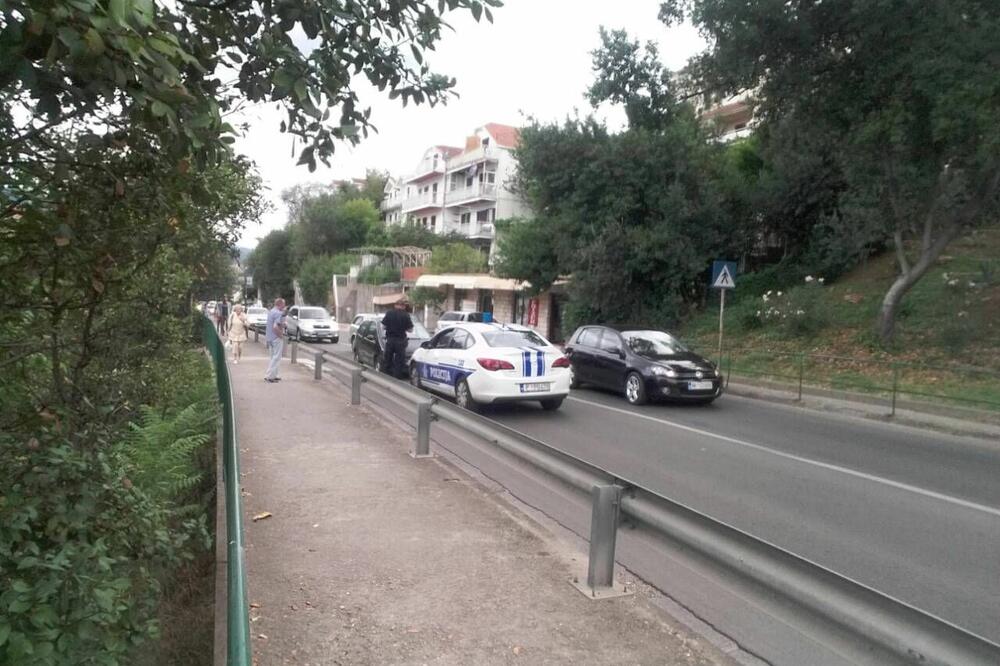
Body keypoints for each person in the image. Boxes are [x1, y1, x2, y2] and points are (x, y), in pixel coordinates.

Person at [381, 296, 413, 379]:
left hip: (390, 340)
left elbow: (383, 327)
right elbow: (410, 330)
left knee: (388, 359)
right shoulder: (406, 315)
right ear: (403, 306)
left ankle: (386, 376)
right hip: (400, 341)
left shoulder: (389, 313)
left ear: (395, 305)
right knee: (399, 361)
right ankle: (396, 378)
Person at [264, 298, 287, 383]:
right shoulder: (278, 313)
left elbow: (274, 324)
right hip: (276, 337)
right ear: (280, 304)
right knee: (276, 357)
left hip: (269, 337)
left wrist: (282, 324)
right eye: (283, 304)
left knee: (272, 357)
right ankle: (269, 376)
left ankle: (275, 374)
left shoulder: (271, 312)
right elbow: (275, 327)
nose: (284, 306)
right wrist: (280, 335)